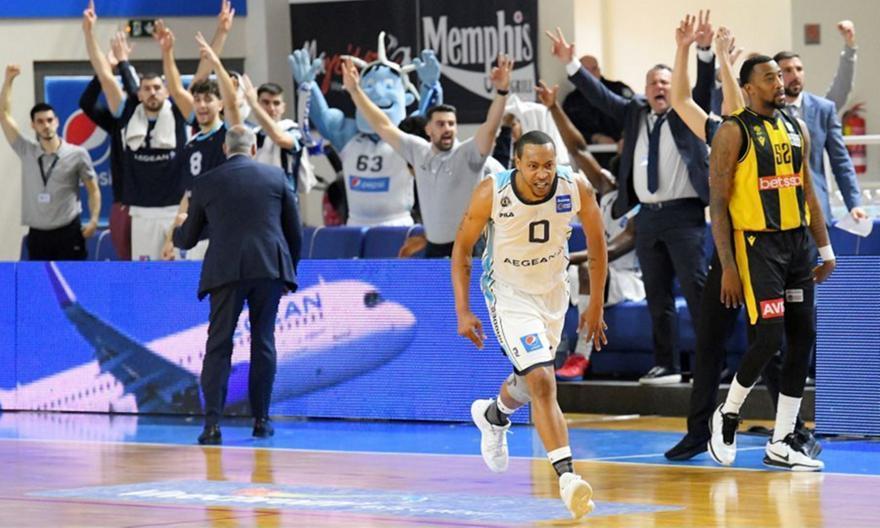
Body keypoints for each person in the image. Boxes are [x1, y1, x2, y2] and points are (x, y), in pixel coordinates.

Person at [451, 130, 607, 519]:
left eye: (549, 165)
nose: (542, 174)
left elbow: (597, 242)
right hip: (509, 295)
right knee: (542, 380)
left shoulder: (575, 187)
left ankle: (494, 416)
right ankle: (568, 479)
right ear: (517, 163)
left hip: (553, 293)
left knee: (530, 380)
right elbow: (462, 249)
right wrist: (463, 310)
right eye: (533, 165)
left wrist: (595, 304)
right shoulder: (493, 192)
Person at [547, 25, 714, 384]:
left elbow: (702, 88)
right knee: (657, 295)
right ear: (645, 89)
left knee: (696, 290)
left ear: (675, 87)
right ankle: (666, 364)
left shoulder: (687, 111)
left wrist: (702, 52)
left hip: (684, 213)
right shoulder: (635, 112)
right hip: (648, 216)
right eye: (653, 82)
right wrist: (571, 64)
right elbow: (601, 97)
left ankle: (709, 364)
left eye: (665, 82)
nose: (659, 87)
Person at [706, 55, 834, 471]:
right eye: (769, 78)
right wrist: (728, 266)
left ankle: (782, 440)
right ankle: (727, 413)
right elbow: (718, 204)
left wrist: (825, 249)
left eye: (780, 76)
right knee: (768, 338)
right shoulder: (733, 131)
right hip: (757, 246)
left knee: (803, 336)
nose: (779, 83)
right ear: (748, 88)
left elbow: (808, 191)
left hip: (796, 245)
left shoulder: (796, 128)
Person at [173, 125, 301, 445]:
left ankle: (212, 426)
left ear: (225, 149)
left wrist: (177, 228)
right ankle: (261, 422)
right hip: (269, 269)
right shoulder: (276, 177)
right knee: (263, 342)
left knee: (218, 346)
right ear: (254, 148)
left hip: (225, 272)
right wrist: (289, 273)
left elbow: (188, 238)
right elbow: (295, 232)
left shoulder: (206, 182)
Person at [340, 55, 511, 257]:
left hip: (469, 247)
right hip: (435, 248)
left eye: (451, 124)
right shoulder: (418, 152)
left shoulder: (468, 154)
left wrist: (501, 93)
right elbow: (383, 125)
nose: (447, 129)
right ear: (428, 129)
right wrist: (355, 91)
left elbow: (490, 128)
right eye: (440, 124)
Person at [534, 80, 644, 380]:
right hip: (599, 272)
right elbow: (578, 149)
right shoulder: (608, 188)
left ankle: (581, 355)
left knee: (586, 269)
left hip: (626, 278)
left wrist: (563, 258)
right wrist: (553, 107)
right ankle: (544, 352)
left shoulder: (645, 204)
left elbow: (610, 251)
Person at [290, 38, 442, 228]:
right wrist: (308, 86)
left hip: (398, 225)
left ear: (406, 98)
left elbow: (430, 122)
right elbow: (322, 117)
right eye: (368, 86)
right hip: (356, 226)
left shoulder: (408, 135)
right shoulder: (347, 134)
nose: (378, 92)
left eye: (389, 86)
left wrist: (431, 87)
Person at [1, 65, 101, 260]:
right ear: (33, 125)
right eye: (40, 121)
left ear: (57, 121)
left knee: (71, 277)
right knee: (40, 279)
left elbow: (93, 189)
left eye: (49, 120)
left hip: (69, 231)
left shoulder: (77, 154)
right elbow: (3, 115)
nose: (46, 126)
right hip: (38, 234)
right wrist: (9, 80)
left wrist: (94, 219)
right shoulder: (26, 150)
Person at [160, 26, 242, 260]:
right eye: (197, 100)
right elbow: (188, 195)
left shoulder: (228, 133)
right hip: (197, 232)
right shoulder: (192, 144)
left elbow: (232, 104)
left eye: (208, 99)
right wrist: (170, 238)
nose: (202, 105)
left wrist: (215, 63)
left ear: (220, 104)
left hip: (225, 229)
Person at [774, 50, 867, 226]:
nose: (795, 75)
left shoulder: (823, 109)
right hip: (777, 213)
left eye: (799, 69)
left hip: (816, 209)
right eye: (787, 70)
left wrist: (854, 204)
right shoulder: (766, 111)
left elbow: (841, 161)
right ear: (776, 77)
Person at [78, 30, 139, 260]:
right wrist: (106, 71)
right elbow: (87, 102)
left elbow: (134, 95)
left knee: (150, 264)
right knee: (124, 263)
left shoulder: (157, 119)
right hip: (121, 204)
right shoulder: (117, 123)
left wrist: (122, 64)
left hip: (150, 207)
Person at [239, 78, 313, 195]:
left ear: (283, 107)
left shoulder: (294, 130)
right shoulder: (253, 133)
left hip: (283, 199)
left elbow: (280, 139)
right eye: (266, 102)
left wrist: (254, 106)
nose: (271, 108)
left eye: (276, 103)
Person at [561, 54, 633, 168]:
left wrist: (627, 137)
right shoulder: (572, 101)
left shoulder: (618, 90)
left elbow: (634, 116)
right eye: (586, 70)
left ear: (599, 70)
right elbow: (568, 129)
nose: (591, 74)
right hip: (591, 160)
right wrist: (594, 138)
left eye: (594, 69)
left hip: (622, 155)